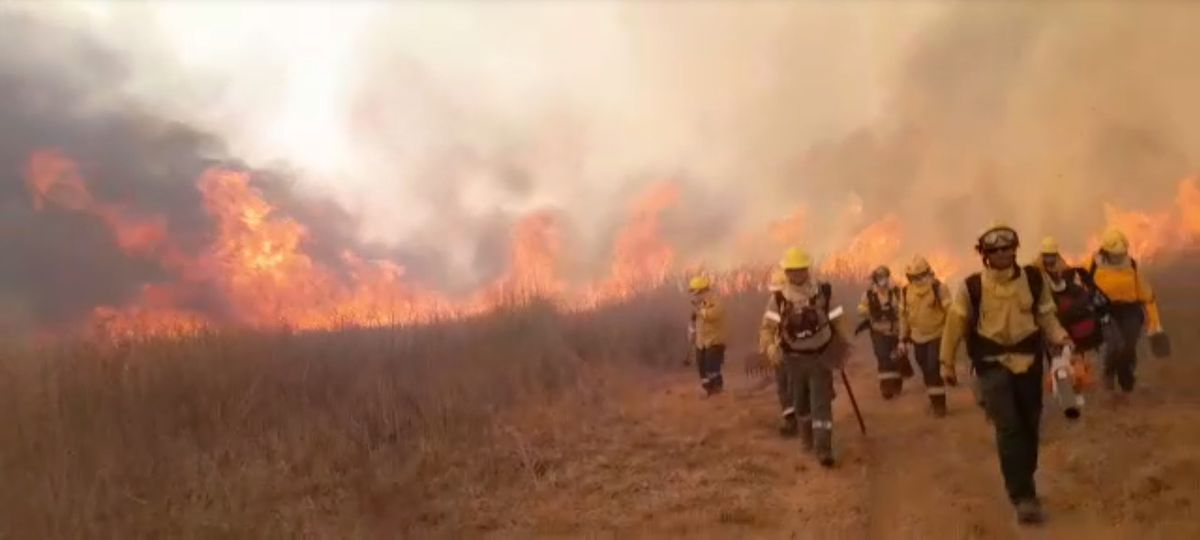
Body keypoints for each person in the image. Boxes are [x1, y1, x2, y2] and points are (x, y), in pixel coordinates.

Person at [940, 224, 1071, 525]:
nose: (1002, 253)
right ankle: (1022, 496)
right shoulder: (971, 287)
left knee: (1030, 426)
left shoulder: (1034, 280)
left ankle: (1025, 481)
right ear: (985, 255)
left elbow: (1046, 315)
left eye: (1007, 248)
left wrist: (1061, 337)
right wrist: (946, 362)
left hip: (1029, 362)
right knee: (1009, 428)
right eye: (995, 250)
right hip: (992, 366)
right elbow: (955, 325)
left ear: (1015, 249)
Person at [759, 247, 847, 467]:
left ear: (806, 269)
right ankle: (807, 437)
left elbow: (838, 318)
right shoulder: (778, 300)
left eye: (800, 269)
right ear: (787, 272)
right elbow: (767, 328)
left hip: (820, 357)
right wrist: (769, 347)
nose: (796, 274)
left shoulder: (823, 292)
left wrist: (841, 347)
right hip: (794, 360)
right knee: (801, 404)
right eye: (792, 270)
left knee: (821, 403)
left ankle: (823, 448)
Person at [1084, 228, 1169, 393]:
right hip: (1106, 311)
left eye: (1120, 253)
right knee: (1115, 344)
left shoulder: (1131, 264)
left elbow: (1147, 296)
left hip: (1130, 311)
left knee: (1129, 347)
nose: (1118, 256)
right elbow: (1080, 285)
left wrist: (1155, 324)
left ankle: (1126, 378)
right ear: (1105, 251)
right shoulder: (1093, 264)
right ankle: (1108, 373)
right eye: (1115, 253)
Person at [1034, 237, 1103, 400]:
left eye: (1052, 255)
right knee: (1055, 358)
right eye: (1046, 255)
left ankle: (1076, 390)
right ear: (1042, 255)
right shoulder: (1036, 273)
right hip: (1048, 322)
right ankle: (1062, 392)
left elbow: (1074, 290)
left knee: (1073, 356)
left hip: (1068, 323)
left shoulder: (1063, 269)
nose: (1049, 259)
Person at [899, 256, 953, 417]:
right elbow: (903, 316)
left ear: (928, 273)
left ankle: (939, 406)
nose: (917, 280)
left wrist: (952, 336)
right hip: (917, 337)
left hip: (938, 334)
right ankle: (933, 397)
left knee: (932, 367)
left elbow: (950, 313)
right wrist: (902, 339)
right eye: (913, 277)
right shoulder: (905, 291)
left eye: (920, 276)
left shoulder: (939, 288)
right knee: (924, 367)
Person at [858, 266, 905, 399]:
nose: (882, 280)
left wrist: (894, 312)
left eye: (884, 276)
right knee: (883, 356)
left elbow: (903, 310)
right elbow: (861, 309)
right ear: (875, 279)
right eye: (879, 277)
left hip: (895, 331)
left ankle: (896, 383)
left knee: (895, 357)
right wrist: (872, 311)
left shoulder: (896, 292)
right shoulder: (869, 295)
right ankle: (886, 388)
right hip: (878, 331)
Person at [688, 275, 727, 396]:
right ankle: (708, 390)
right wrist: (691, 333)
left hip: (715, 341)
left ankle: (717, 390)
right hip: (701, 342)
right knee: (702, 368)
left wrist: (700, 312)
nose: (694, 295)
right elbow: (695, 325)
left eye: (695, 292)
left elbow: (714, 315)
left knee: (712, 367)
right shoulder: (699, 303)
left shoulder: (716, 300)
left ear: (703, 290)